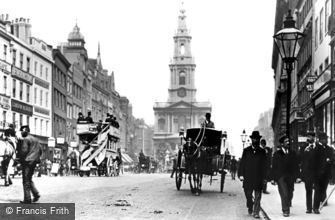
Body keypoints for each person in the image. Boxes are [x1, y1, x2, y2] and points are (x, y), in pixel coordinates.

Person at [238, 131, 266, 219]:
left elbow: (265, 165)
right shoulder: (246, 151)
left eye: (257, 139)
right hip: (248, 177)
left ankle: (256, 212)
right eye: (254, 138)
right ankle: (250, 205)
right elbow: (242, 163)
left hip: (258, 177)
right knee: (248, 194)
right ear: (251, 139)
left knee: (258, 196)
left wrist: (265, 177)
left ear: (259, 139)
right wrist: (241, 175)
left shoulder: (262, 152)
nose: (255, 140)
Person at [271, 135, 300, 217]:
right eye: (286, 141)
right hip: (281, 177)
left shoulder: (293, 153)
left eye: (288, 141)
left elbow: (296, 166)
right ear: (282, 144)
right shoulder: (277, 154)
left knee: (290, 193)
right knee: (284, 193)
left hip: (290, 176)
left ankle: (287, 203)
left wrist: (298, 177)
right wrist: (273, 179)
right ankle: (285, 210)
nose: (288, 143)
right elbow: (274, 167)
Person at [16, 125, 41, 204]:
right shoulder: (36, 139)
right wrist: (36, 158)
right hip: (34, 161)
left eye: (22, 131)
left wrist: (20, 159)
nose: (21, 133)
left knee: (25, 180)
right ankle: (36, 194)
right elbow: (40, 151)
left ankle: (27, 199)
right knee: (29, 179)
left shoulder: (26, 139)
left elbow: (24, 151)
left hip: (27, 162)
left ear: (26, 131)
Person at [315, 132, 333, 209]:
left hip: (327, 171)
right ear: (320, 140)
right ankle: (320, 200)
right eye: (324, 139)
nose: (326, 141)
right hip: (318, 172)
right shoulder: (317, 148)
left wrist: (330, 160)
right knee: (319, 187)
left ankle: (323, 199)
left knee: (324, 186)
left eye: (326, 139)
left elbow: (333, 158)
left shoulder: (330, 149)